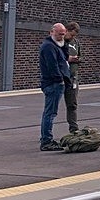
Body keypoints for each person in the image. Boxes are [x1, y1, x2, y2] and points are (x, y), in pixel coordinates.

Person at [38, 22, 72, 151]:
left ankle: (46, 138)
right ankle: (46, 141)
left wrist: (64, 44)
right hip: (53, 84)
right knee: (50, 113)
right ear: (51, 32)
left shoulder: (56, 45)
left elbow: (64, 58)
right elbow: (53, 66)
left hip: (55, 83)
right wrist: (60, 80)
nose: (61, 37)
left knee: (50, 112)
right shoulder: (48, 47)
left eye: (63, 35)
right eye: (59, 34)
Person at [64, 21, 82, 133]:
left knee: (72, 104)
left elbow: (81, 56)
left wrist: (77, 59)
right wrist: (68, 58)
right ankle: (46, 133)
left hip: (73, 76)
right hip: (61, 77)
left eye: (75, 35)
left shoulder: (76, 43)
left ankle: (74, 128)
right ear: (67, 31)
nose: (72, 37)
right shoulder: (60, 43)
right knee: (51, 108)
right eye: (71, 34)